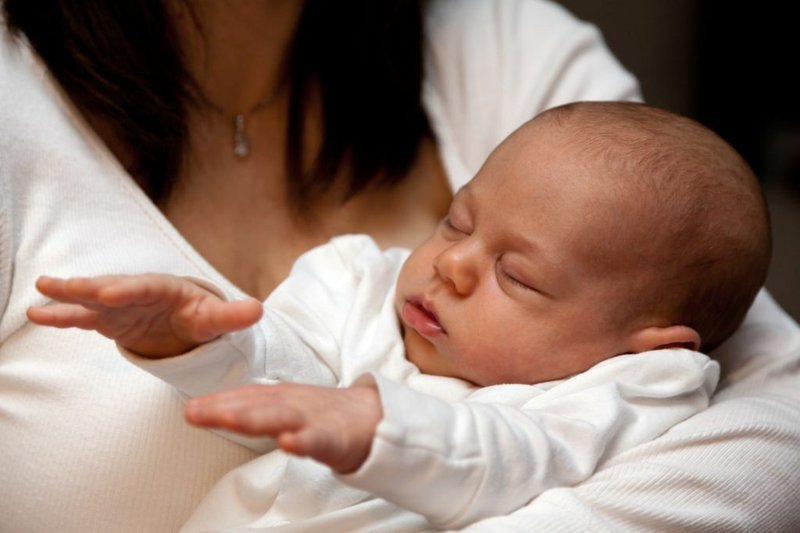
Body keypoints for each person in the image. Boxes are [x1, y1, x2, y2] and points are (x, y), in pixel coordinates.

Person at [0, 1, 798, 532]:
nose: (451, 265)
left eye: (517, 277)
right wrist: (192, 341)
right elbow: (286, 365)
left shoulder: (634, 384)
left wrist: (383, 429)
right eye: (456, 219)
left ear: (651, 343)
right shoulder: (361, 279)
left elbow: (520, 454)